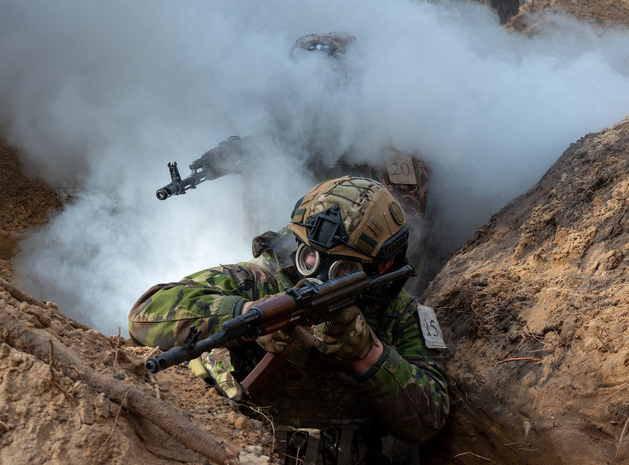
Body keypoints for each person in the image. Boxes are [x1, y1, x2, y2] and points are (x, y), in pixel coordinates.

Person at [129, 176, 449, 464]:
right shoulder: (256, 282)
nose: (317, 272)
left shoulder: (401, 314)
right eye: (309, 256)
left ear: (383, 265)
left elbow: (427, 423)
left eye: (342, 269)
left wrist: (369, 353)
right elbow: (145, 314)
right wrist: (245, 312)